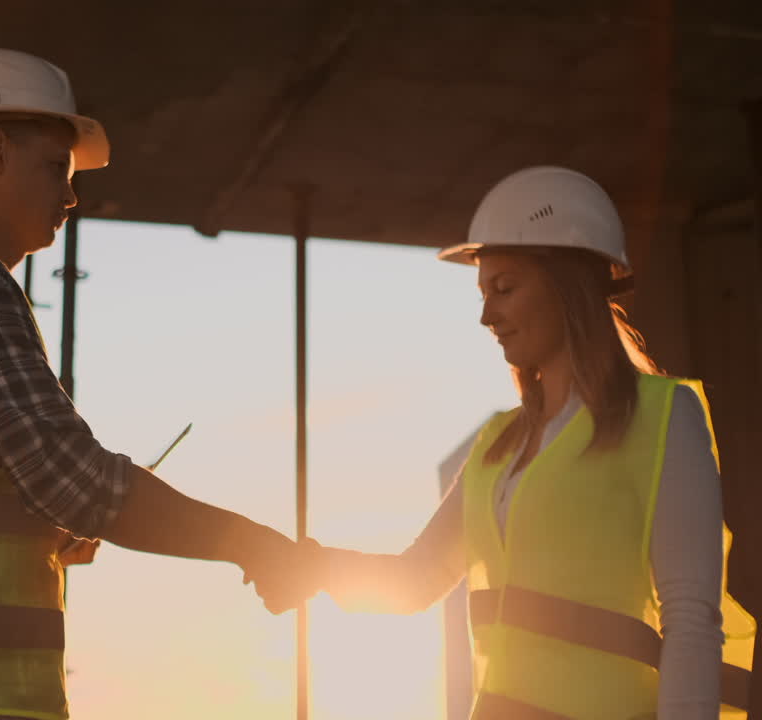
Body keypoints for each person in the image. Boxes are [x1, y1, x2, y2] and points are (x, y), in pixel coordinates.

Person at [0, 48, 306, 720]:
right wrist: (250, 543)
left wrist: (38, 530)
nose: (72, 196)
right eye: (57, 168)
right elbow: (72, 478)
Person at [292, 167, 755, 719]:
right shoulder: (497, 444)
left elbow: (691, 620)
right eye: (483, 293)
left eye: (504, 288)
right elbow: (413, 580)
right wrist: (309, 566)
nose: (487, 316)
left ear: (567, 284)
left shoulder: (663, 418)